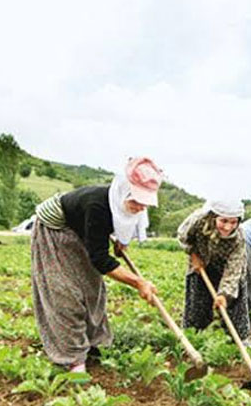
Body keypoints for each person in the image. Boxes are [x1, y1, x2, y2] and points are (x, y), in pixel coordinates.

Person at [30, 157, 162, 373]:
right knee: (65, 292)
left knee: (93, 289)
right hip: (55, 229)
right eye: (136, 201)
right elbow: (100, 259)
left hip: (81, 229)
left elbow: (125, 223)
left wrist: (122, 241)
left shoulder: (132, 206)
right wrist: (138, 282)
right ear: (123, 193)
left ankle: (97, 345)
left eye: (144, 203)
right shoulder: (98, 206)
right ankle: (72, 358)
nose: (140, 207)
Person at [178, 199, 251, 346]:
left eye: (233, 222)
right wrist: (193, 255)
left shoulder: (239, 237)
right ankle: (192, 336)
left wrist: (224, 294)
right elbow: (183, 236)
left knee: (236, 302)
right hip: (201, 260)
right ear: (214, 217)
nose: (227, 227)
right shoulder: (198, 220)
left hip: (226, 265)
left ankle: (241, 339)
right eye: (224, 221)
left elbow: (234, 268)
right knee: (197, 298)